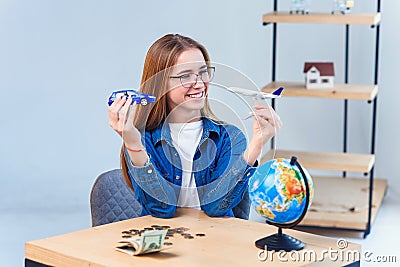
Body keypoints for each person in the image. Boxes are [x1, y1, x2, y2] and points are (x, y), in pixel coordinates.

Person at [108, 34, 282, 218]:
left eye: (203, 72)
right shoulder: (142, 139)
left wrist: (256, 145)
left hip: (218, 240)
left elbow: (217, 207)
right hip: (164, 240)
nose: (199, 83)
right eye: (185, 76)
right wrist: (134, 144)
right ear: (161, 84)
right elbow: (161, 210)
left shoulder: (229, 137)